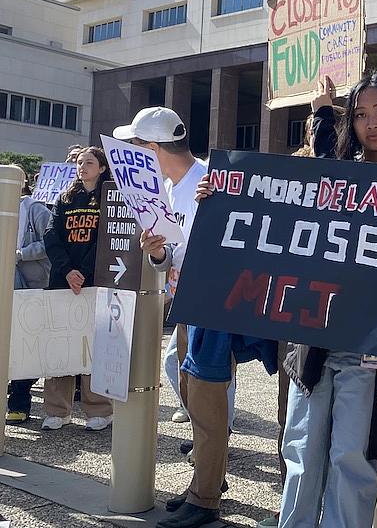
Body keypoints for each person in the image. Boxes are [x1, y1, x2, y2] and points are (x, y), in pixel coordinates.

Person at [276, 72, 377, 528]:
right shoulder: (333, 176)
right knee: (302, 453)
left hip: (372, 347)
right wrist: (222, 197)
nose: (372, 123)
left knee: (352, 457)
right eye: (361, 114)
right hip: (314, 338)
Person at [112, 106, 242, 528]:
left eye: (136, 146)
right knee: (191, 391)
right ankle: (205, 484)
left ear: (152, 148)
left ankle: (205, 499)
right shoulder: (170, 188)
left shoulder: (210, 182)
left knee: (206, 399)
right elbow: (173, 253)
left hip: (214, 308)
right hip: (189, 305)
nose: (132, 155)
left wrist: (165, 255)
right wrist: (157, 252)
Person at [41, 146, 114, 431]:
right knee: (60, 345)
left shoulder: (110, 199)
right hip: (63, 282)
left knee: (93, 347)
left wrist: (82, 272)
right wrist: (67, 270)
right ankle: (58, 410)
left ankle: (99, 409)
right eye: (80, 162)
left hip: (93, 283)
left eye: (89, 162)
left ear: (102, 168)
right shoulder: (65, 198)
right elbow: (51, 235)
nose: (82, 167)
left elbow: (106, 239)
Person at [6, 166, 52, 424]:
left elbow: (50, 242)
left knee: (27, 344)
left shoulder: (35, 209)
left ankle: (20, 401)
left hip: (32, 287)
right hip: (6, 284)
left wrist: (21, 254)